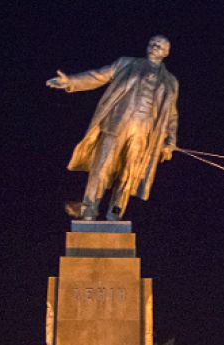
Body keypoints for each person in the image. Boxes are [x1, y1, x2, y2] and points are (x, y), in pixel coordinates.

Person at [47, 35, 179, 221]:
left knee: (129, 172)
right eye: (152, 43)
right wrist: (71, 82)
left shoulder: (170, 82)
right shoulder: (126, 63)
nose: (154, 47)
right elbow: (98, 76)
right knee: (101, 167)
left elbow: (172, 114)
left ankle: (115, 212)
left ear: (166, 53)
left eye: (159, 46)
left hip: (144, 133)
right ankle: (89, 209)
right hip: (116, 125)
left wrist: (170, 141)